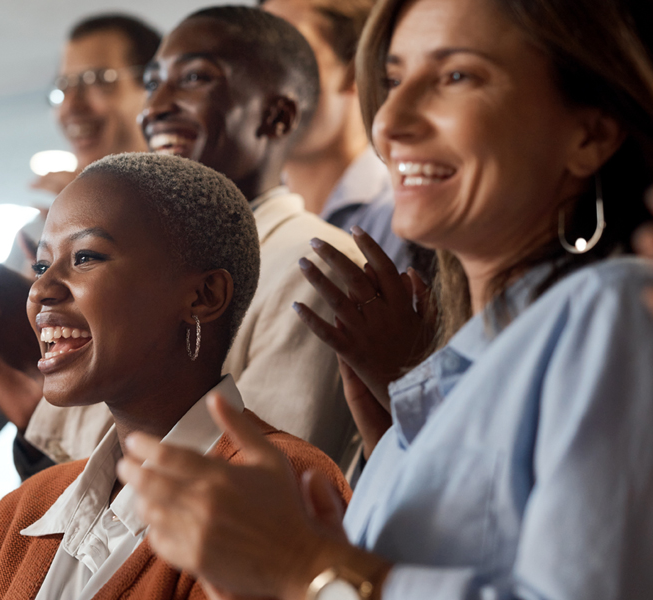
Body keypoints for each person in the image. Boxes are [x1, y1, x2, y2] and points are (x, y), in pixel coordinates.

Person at [119, 0, 653, 598]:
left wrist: (307, 564)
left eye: (457, 77)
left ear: (591, 133)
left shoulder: (612, 310)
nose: (390, 122)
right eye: (394, 80)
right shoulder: (428, 395)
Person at [0, 153, 350, 600]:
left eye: (85, 257)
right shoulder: (28, 509)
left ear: (203, 296)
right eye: (41, 265)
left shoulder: (280, 485)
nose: (40, 290)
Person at [20, 6, 367, 469]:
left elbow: (262, 474)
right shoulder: (147, 261)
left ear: (277, 116)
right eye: (152, 83)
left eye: (195, 79)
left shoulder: (316, 265)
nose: (155, 106)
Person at [0, 13, 162, 449]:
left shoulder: (195, 230)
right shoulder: (39, 232)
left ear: (153, 88)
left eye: (97, 80)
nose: (71, 106)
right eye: (63, 87)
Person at [260, 0, 427, 274]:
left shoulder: (402, 216)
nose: (257, 76)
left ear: (357, 69)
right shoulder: (241, 210)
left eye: (287, 53)